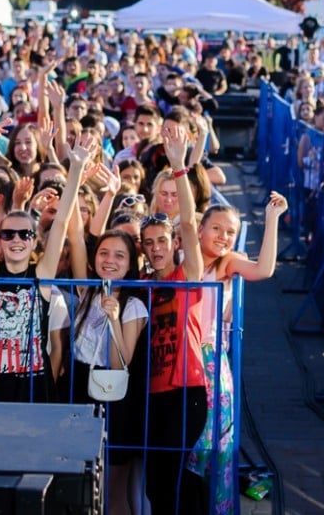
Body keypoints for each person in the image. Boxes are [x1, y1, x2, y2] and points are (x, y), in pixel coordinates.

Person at [0, 126, 95, 403]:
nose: (16, 239)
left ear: (32, 241)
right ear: (0, 242)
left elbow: (62, 222)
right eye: (8, 234)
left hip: (35, 386)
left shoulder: (42, 274)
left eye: (24, 234)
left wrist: (76, 167)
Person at [187, 192, 288, 514]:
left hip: (212, 361)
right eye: (216, 229)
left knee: (215, 440)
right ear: (201, 229)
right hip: (182, 357)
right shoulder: (182, 259)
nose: (223, 237)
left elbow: (264, 270)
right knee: (187, 439)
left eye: (229, 232)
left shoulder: (227, 263)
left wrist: (271, 219)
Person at [139, 121, 207, 515]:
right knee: (156, 483)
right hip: (153, 391)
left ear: (174, 244)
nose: (155, 248)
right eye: (148, 244)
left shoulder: (188, 275)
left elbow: (190, 225)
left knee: (169, 481)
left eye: (162, 242)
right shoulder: (144, 282)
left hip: (186, 389)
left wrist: (180, 167)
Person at [68, 228, 148, 515]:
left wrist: (113, 319)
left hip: (115, 399)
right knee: (78, 486)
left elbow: (121, 362)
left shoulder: (134, 305)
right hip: (78, 390)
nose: (110, 260)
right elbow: (76, 237)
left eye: (119, 255)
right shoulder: (86, 290)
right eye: (104, 252)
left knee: (113, 492)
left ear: (130, 265)